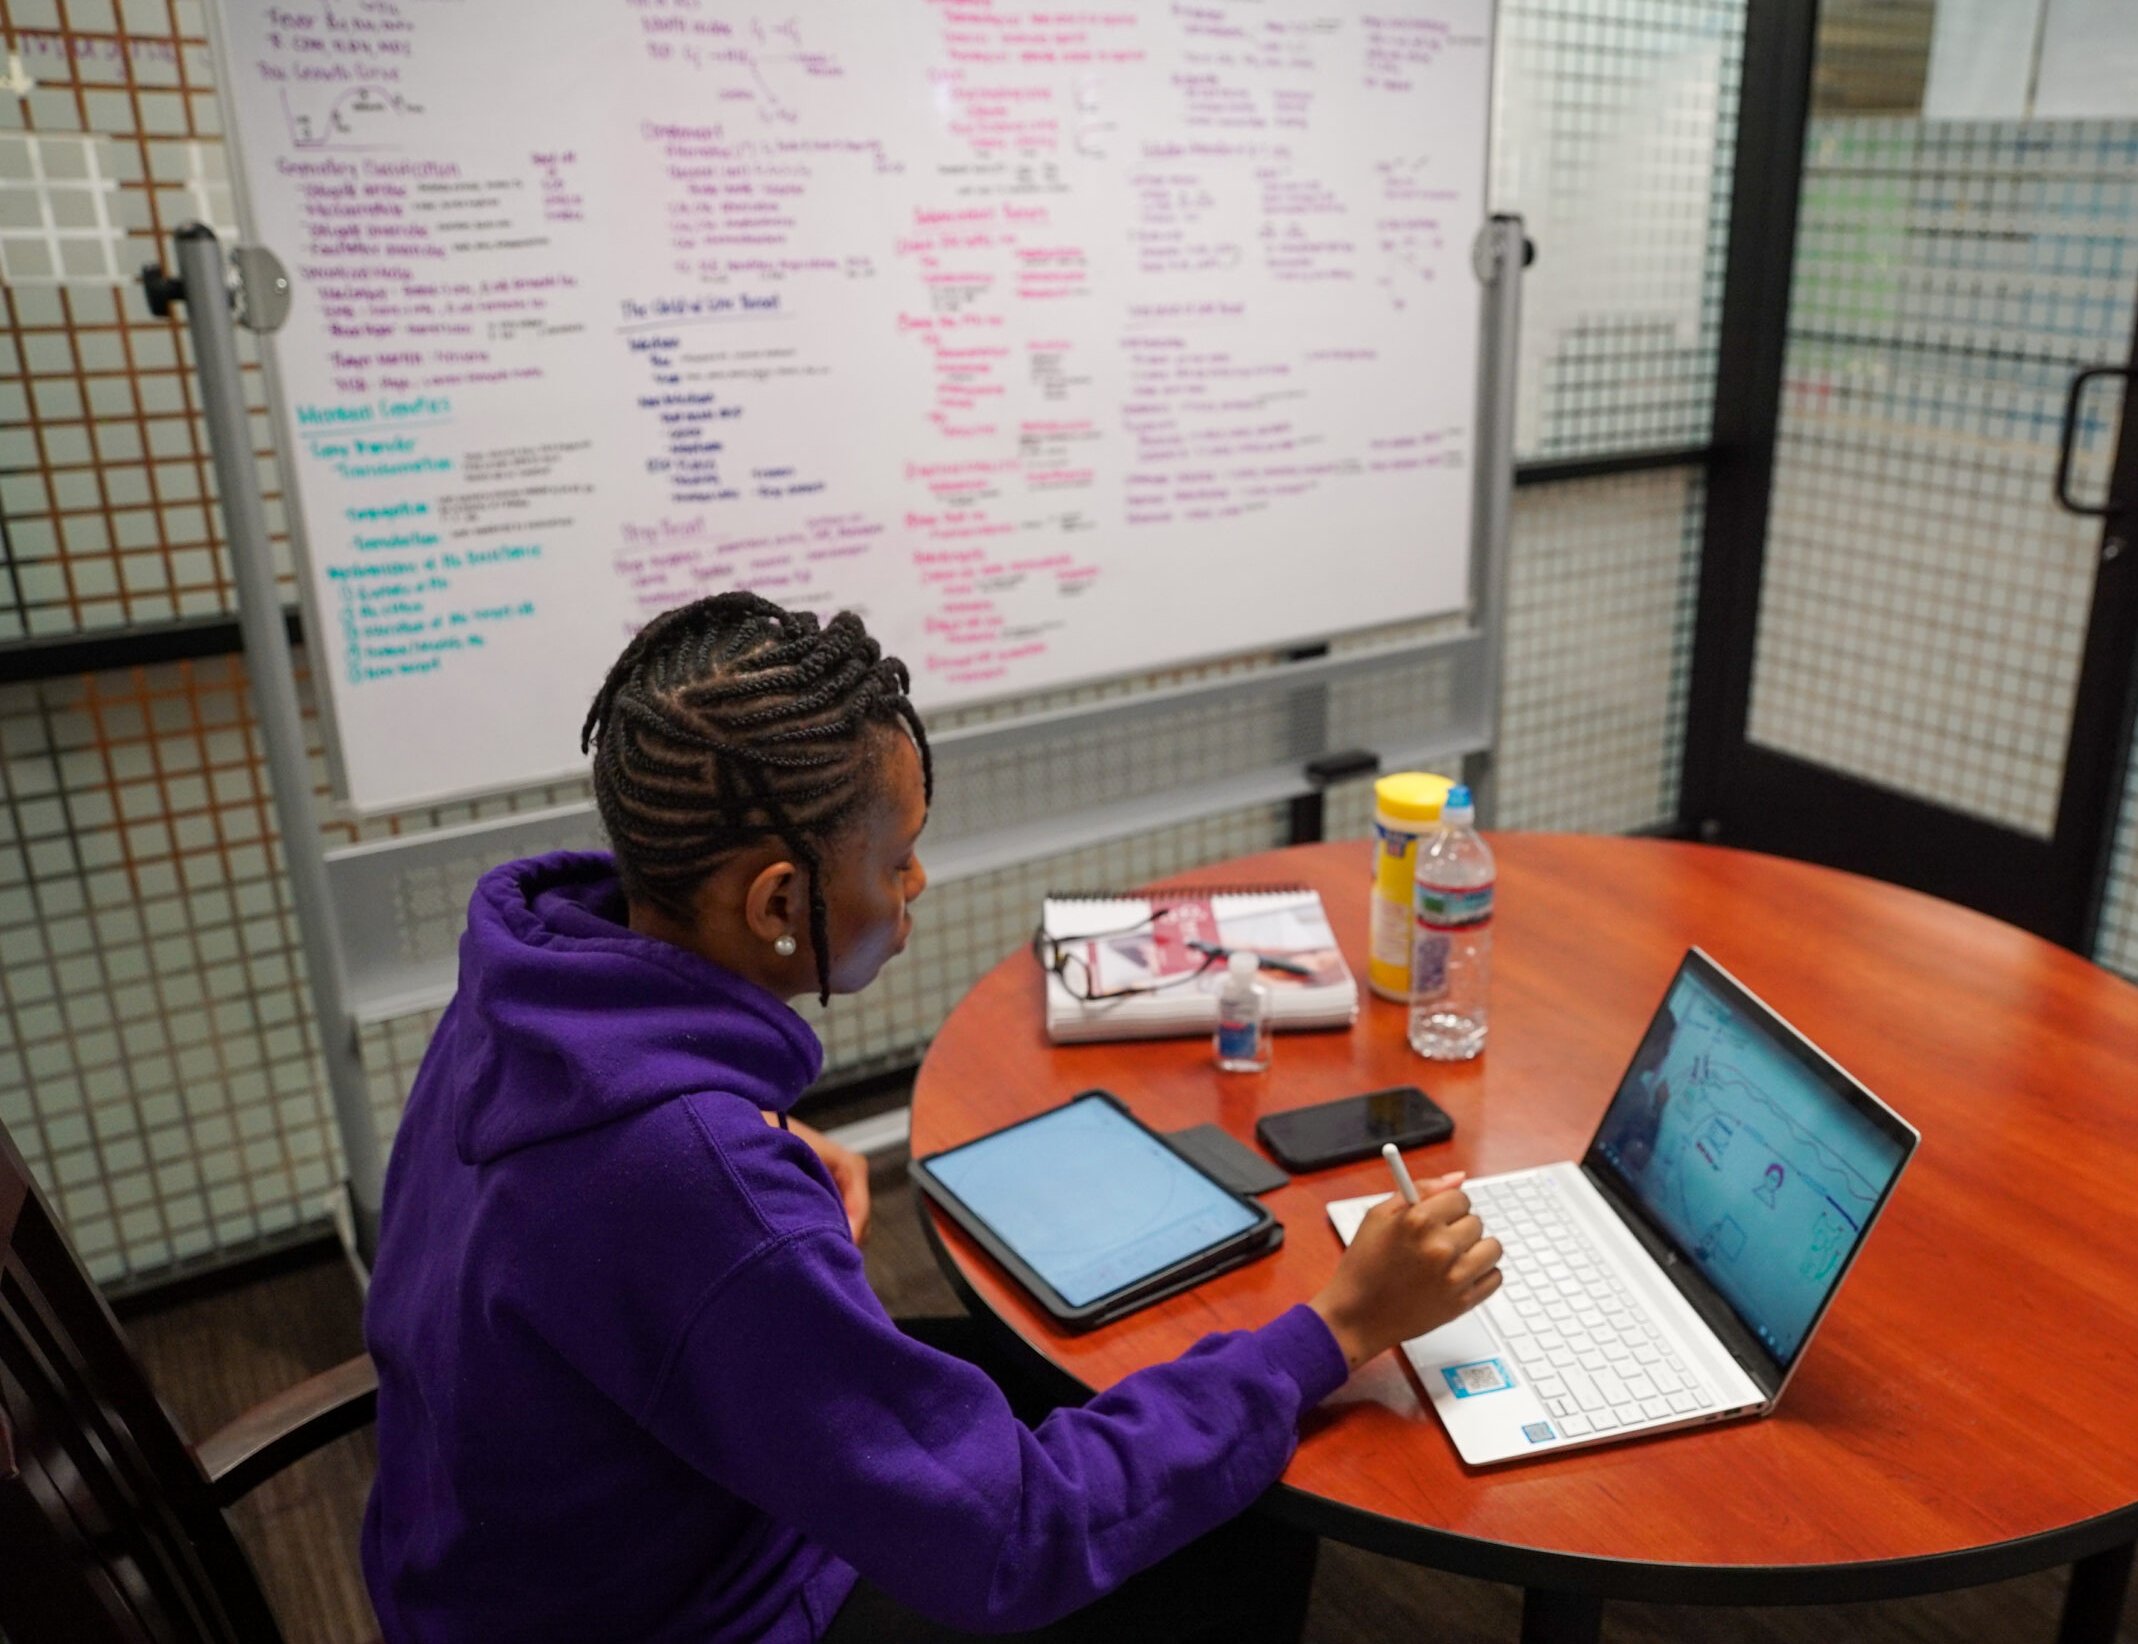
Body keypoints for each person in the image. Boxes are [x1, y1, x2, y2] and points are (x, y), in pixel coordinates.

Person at [361, 592, 1504, 1644]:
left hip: (489, 1562)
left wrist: (750, 1144)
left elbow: (578, 1217)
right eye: (897, 861)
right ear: (777, 902)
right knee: (1241, 1511)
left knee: (1082, 1386)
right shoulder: (696, 1185)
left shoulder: (534, 989)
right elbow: (1014, 1541)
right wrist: (1339, 1326)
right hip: (680, 1610)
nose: (916, 888)